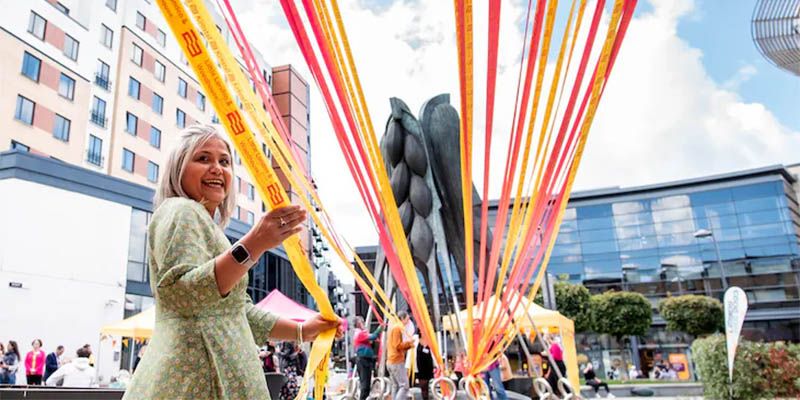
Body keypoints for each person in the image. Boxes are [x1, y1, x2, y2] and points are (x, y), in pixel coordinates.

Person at [122, 125, 342, 399]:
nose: (217, 168)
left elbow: (238, 312)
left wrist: (301, 330)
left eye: (224, 161)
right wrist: (254, 244)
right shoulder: (181, 209)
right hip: (192, 381)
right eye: (203, 159)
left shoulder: (208, 227)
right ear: (177, 168)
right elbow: (182, 293)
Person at [352, 316, 384, 400]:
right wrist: (379, 328)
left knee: (366, 384)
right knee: (365, 385)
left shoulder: (360, 333)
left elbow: (371, 339)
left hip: (364, 360)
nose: (364, 324)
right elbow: (373, 336)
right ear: (358, 324)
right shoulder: (360, 333)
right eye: (362, 322)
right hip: (363, 360)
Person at [387, 311, 415, 400]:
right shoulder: (397, 328)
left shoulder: (394, 327)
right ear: (402, 319)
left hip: (392, 360)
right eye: (407, 319)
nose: (408, 322)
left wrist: (408, 345)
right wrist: (409, 344)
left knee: (396, 386)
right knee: (404, 386)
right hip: (396, 361)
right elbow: (397, 345)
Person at [414, 335, 435, 400]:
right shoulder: (415, 340)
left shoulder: (430, 341)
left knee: (427, 388)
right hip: (420, 369)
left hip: (428, 369)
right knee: (424, 388)